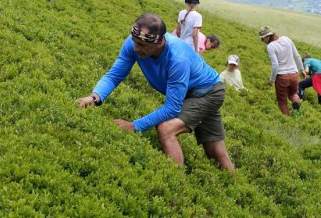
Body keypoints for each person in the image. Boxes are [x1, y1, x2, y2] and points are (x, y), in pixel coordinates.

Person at [77, 13, 235, 172]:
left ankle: (174, 183)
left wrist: (134, 126)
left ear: (160, 42)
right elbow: (114, 75)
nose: (137, 49)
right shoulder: (135, 42)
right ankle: (232, 183)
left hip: (209, 92)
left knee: (166, 129)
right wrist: (94, 97)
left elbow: (172, 107)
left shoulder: (177, 58)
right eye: (135, 42)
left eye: (142, 45)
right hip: (192, 93)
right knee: (215, 150)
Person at [259, 26, 306, 116]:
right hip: (294, 75)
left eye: (262, 38)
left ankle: (287, 121)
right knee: (293, 94)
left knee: (282, 102)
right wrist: (301, 69)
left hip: (282, 77)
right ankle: (297, 101)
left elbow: (275, 65)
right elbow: (297, 55)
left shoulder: (270, 46)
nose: (262, 41)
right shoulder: (287, 39)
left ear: (268, 36)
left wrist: (272, 79)